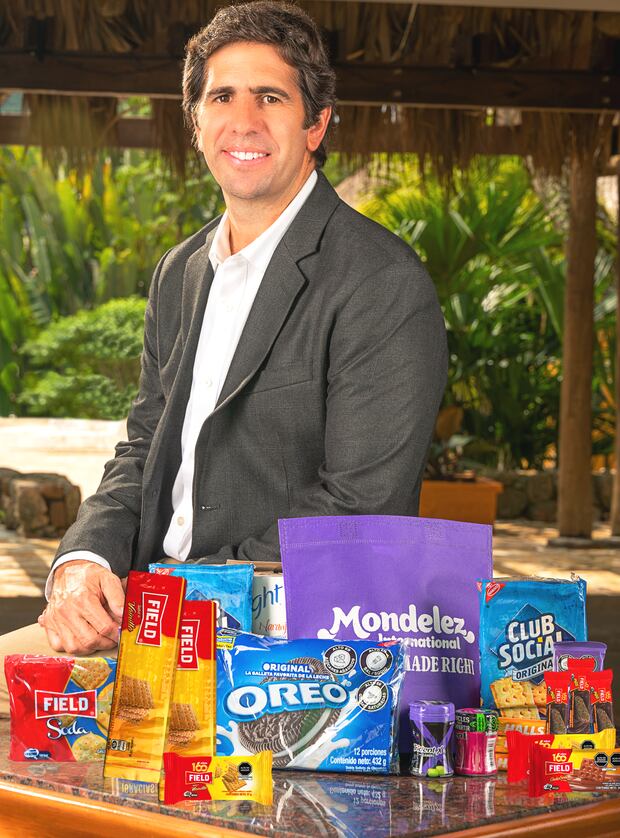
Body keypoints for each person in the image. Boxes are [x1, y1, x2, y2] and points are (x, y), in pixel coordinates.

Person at [2, 1, 447, 669]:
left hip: (290, 647)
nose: (243, 121)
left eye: (270, 97)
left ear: (316, 123)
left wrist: (171, 597)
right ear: (196, 123)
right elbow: (144, 446)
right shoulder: (179, 271)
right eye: (222, 97)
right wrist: (85, 561)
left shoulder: (381, 280)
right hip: (154, 620)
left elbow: (360, 512)